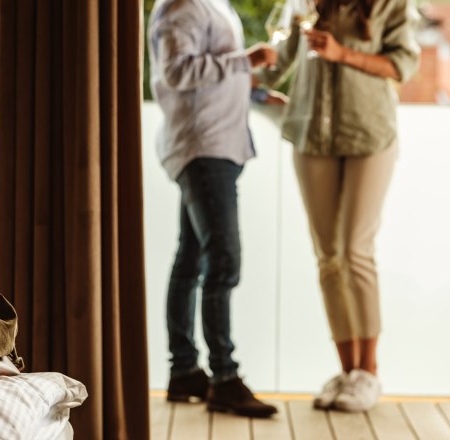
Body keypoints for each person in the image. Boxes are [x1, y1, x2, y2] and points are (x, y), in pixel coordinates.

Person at [256, 0, 420, 412]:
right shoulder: (305, 3)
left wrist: (341, 53)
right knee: (328, 257)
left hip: (369, 134)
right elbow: (279, 61)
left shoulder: (390, 4)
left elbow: (402, 64)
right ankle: (348, 372)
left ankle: (369, 372)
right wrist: (238, 72)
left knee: (354, 251)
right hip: (312, 135)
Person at [148, 0, 283, 418]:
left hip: (214, 145)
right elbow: (176, 71)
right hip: (203, 148)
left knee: (190, 260)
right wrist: (246, 60)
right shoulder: (182, 7)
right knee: (223, 261)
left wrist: (255, 91)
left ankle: (185, 371)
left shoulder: (211, 4)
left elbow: (213, 77)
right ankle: (224, 378)